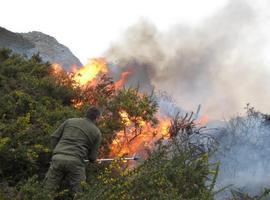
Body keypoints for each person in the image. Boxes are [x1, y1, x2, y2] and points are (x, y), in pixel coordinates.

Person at [44, 106, 102, 196]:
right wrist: (95, 161)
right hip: (76, 163)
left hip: (57, 159)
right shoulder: (97, 132)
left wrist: (57, 152)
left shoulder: (70, 121)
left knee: (47, 191)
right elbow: (92, 157)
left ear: (86, 114)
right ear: (97, 118)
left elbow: (54, 137)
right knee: (78, 193)